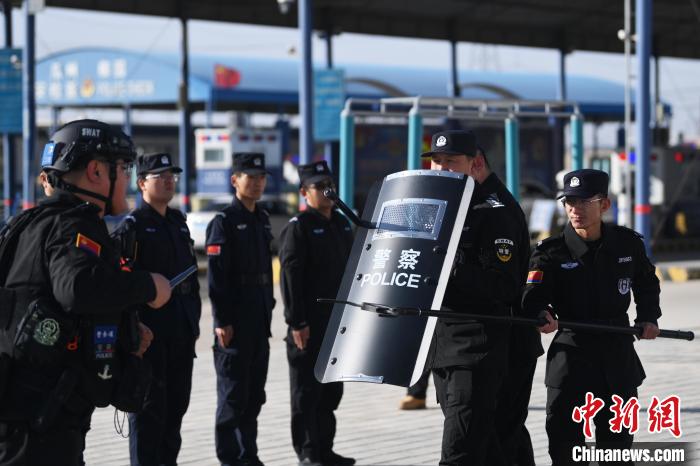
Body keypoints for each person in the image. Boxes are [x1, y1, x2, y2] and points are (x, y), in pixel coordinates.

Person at [0, 119, 171, 466]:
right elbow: (77, 288)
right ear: (96, 171)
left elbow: (45, 304)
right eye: (124, 168)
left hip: (24, 415)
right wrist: (148, 286)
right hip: (40, 427)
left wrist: (124, 331)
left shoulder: (28, 224)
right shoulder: (74, 224)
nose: (128, 179)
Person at [522, 168, 661, 465]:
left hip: (617, 356)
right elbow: (533, 296)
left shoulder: (627, 244)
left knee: (617, 451)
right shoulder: (550, 252)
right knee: (566, 450)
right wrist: (541, 313)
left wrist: (648, 317)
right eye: (570, 202)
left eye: (585, 201)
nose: (575, 209)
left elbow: (647, 284)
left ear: (604, 205)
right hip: (571, 357)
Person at [424, 129, 527, 466]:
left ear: (475, 163)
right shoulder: (444, 208)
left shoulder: (493, 212)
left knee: (461, 451)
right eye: (436, 161)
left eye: (451, 161)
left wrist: (447, 267)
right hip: (444, 345)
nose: (441, 168)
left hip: (477, 349)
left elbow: (504, 286)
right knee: (495, 446)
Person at [112, 152, 201, 466]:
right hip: (150, 335)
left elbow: (192, 277)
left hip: (181, 331)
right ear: (141, 183)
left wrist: (194, 320)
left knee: (175, 410)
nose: (168, 181)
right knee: (149, 412)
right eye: (160, 176)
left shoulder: (178, 223)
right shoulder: (133, 227)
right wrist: (132, 329)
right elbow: (123, 282)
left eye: (171, 176)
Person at [279, 161, 355, 466]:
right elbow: (290, 278)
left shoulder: (342, 223)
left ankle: (325, 448)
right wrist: (296, 321)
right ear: (304, 192)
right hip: (309, 323)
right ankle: (308, 452)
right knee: (306, 392)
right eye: (319, 186)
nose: (327, 191)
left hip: (336, 323)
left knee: (331, 391)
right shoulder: (299, 227)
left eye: (330, 185)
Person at [206, 152, 275, 466]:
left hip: (259, 321)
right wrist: (222, 320)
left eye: (262, 177)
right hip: (234, 321)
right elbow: (217, 277)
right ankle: (230, 458)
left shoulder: (261, 218)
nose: (258, 183)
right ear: (235, 180)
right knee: (233, 396)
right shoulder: (224, 222)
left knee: (254, 395)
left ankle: (249, 455)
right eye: (251, 177)